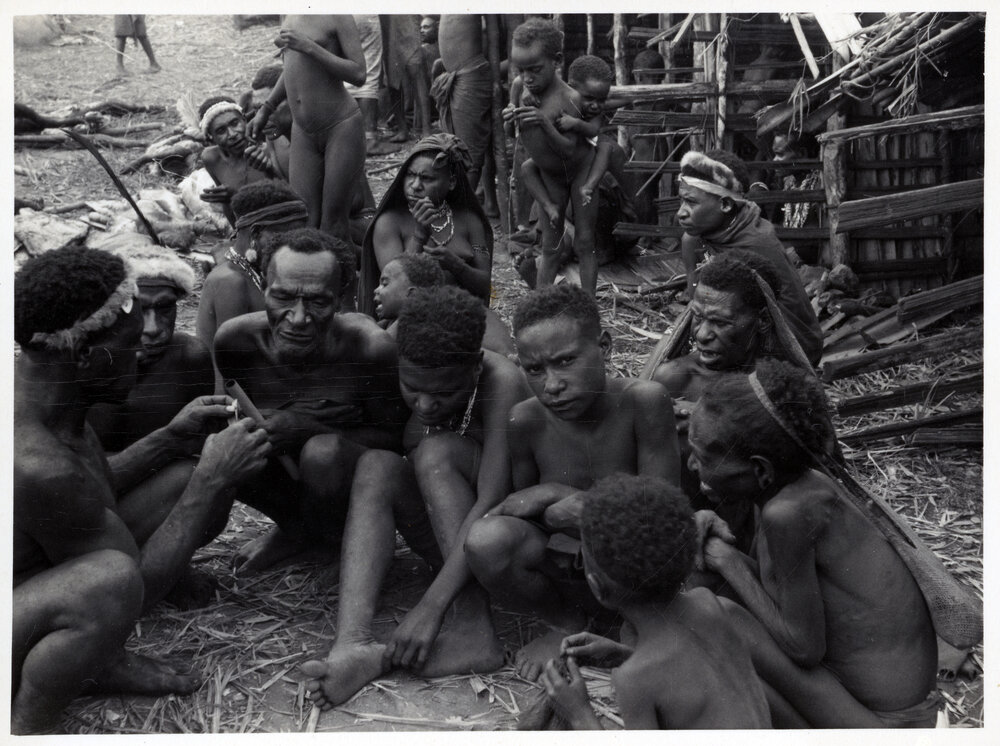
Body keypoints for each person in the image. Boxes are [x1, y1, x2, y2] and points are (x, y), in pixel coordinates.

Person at [13, 247, 270, 733]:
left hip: (32, 582)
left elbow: (93, 490)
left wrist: (170, 438)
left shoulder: (50, 395)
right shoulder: (36, 460)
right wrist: (212, 477)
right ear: (86, 353)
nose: (144, 346)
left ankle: (95, 661)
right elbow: (129, 594)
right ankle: (29, 722)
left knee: (176, 480)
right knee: (110, 580)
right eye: (130, 343)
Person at [301, 286, 530, 708]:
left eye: (442, 394)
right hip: (452, 545)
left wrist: (430, 607)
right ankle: (351, 643)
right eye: (412, 388)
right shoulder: (401, 355)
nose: (424, 404)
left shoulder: (504, 383)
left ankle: (473, 628)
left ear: (475, 368)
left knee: (436, 453)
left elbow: (492, 500)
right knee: (376, 466)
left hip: (501, 546)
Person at [688, 360, 939, 727]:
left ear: (760, 470)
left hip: (888, 722)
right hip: (867, 698)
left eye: (704, 457)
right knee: (709, 599)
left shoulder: (787, 513)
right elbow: (785, 596)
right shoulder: (800, 487)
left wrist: (727, 559)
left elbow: (804, 647)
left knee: (716, 617)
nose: (692, 466)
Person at [464, 284, 681, 680]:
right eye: (534, 370)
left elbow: (664, 514)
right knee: (486, 540)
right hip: (568, 572)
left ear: (605, 346)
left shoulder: (644, 402)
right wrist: (550, 509)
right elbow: (524, 516)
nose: (552, 385)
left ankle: (635, 629)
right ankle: (565, 622)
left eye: (565, 361)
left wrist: (558, 494)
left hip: (635, 573)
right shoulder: (525, 420)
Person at [214, 227, 408, 573]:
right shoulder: (236, 341)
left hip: (350, 487)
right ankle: (295, 532)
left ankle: (338, 541)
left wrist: (306, 428)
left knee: (323, 454)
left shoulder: (370, 349)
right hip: (286, 484)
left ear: (340, 297)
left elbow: (395, 442)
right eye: (283, 298)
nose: (299, 318)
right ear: (262, 286)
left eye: (318, 301)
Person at [539, 474, 771, 730]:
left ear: (596, 587)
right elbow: (694, 679)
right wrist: (623, 654)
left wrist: (578, 713)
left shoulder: (634, 681)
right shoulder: (709, 604)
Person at [646, 250, 812, 549]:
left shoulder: (781, 387)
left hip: (761, 537)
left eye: (721, 323)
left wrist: (705, 416)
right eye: (697, 318)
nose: (702, 334)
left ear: (761, 321)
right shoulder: (677, 378)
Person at [359, 133, 515, 355]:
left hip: (464, 312)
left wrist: (456, 265)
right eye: (410, 175)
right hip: (410, 317)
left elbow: (483, 284)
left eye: (427, 178)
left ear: (451, 182)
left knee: (506, 357)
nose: (415, 186)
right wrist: (419, 236)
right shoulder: (390, 222)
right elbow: (392, 289)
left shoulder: (470, 221)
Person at [676, 149, 823, 365]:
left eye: (691, 202)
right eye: (681, 201)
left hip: (780, 352)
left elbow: (778, 324)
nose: (681, 212)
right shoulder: (693, 240)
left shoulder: (757, 245)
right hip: (723, 337)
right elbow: (696, 303)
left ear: (726, 205)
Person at [249, 16, 367, 247]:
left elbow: (359, 73)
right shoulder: (289, 13)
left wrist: (310, 46)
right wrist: (267, 107)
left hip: (340, 125)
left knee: (333, 226)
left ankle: (350, 281)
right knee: (303, 220)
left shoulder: (337, 14)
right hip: (303, 131)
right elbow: (292, 67)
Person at [506, 18, 600, 296]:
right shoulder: (519, 88)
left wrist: (542, 121)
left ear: (556, 60)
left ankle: (590, 308)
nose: (527, 78)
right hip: (550, 174)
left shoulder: (569, 98)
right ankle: (540, 308)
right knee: (550, 245)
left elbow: (570, 150)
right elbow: (512, 134)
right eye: (521, 70)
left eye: (534, 70)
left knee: (584, 242)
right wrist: (509, 117)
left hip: (580, 171)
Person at [88, 244, 213, 452]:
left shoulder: (190, 357)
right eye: (141, 309)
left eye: (165, 308)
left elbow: (202, 443)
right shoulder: (84, 364)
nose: (154, 328)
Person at [196, 180, 309, 366]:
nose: (296, 245)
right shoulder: (230, 282)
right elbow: (228, 368)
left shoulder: (262, 271)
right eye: (288, 236)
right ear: (256, 234)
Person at [431, 16, 494, 203]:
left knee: (469, 152)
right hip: (454, 73)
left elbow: (492, 36)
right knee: (456, 147)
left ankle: (461, 213)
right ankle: (472, 205)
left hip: (471, 72)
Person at [198, 97, 288, 227]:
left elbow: (296, 200)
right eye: (221, 131)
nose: (232, 134)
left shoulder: (270, 147)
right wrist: (228, 199)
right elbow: (235, 221)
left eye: (235, 123)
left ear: (245, 120)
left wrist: (269, 170)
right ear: (211, 139)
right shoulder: (212, 159)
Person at [373, 253, 447, 338]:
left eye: (385, 284)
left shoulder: (420, 333)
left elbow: (382, 346)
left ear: (413, 295)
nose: (376, 290)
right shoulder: (382, 325)